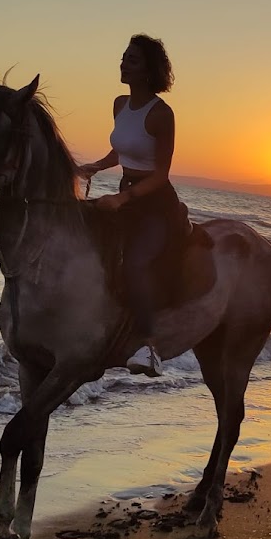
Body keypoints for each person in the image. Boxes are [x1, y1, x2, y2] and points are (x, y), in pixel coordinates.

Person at [77, 34, 182, 377]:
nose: (123, 64)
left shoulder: (162, 114)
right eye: (123, 57)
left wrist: (123, 198)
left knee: (135, 263)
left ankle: (150, 348)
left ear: (150, 70)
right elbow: (118, 152)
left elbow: (161, 174)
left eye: (132, 60)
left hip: (154, 202)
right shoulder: (120, 104)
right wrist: (94, 166)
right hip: (126, 192)